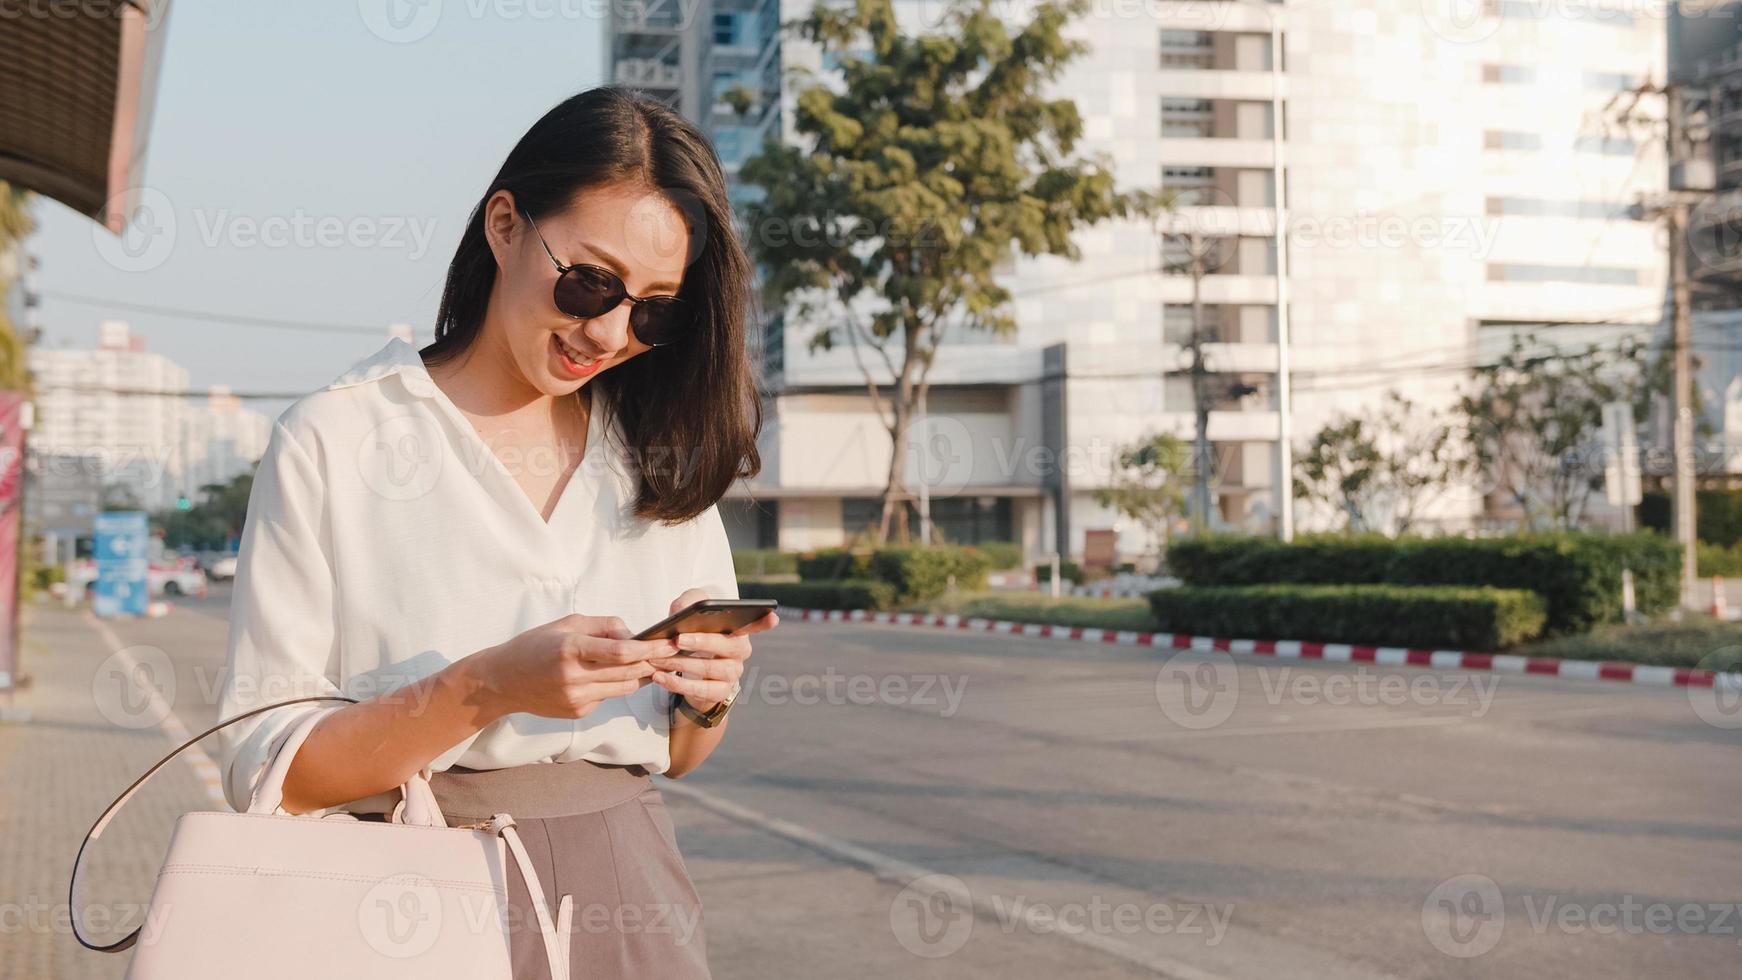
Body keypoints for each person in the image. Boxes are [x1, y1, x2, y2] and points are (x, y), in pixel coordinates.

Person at [213, 85, 777, 979]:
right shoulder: (339, 438)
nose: (609, 330)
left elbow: (675, 754)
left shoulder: (659, 457)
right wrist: (487, 687)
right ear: (506, 226)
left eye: (654, 309)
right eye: (589, 281)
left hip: (629, 899)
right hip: (403, 896)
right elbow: (272, 769)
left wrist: (707, 693)